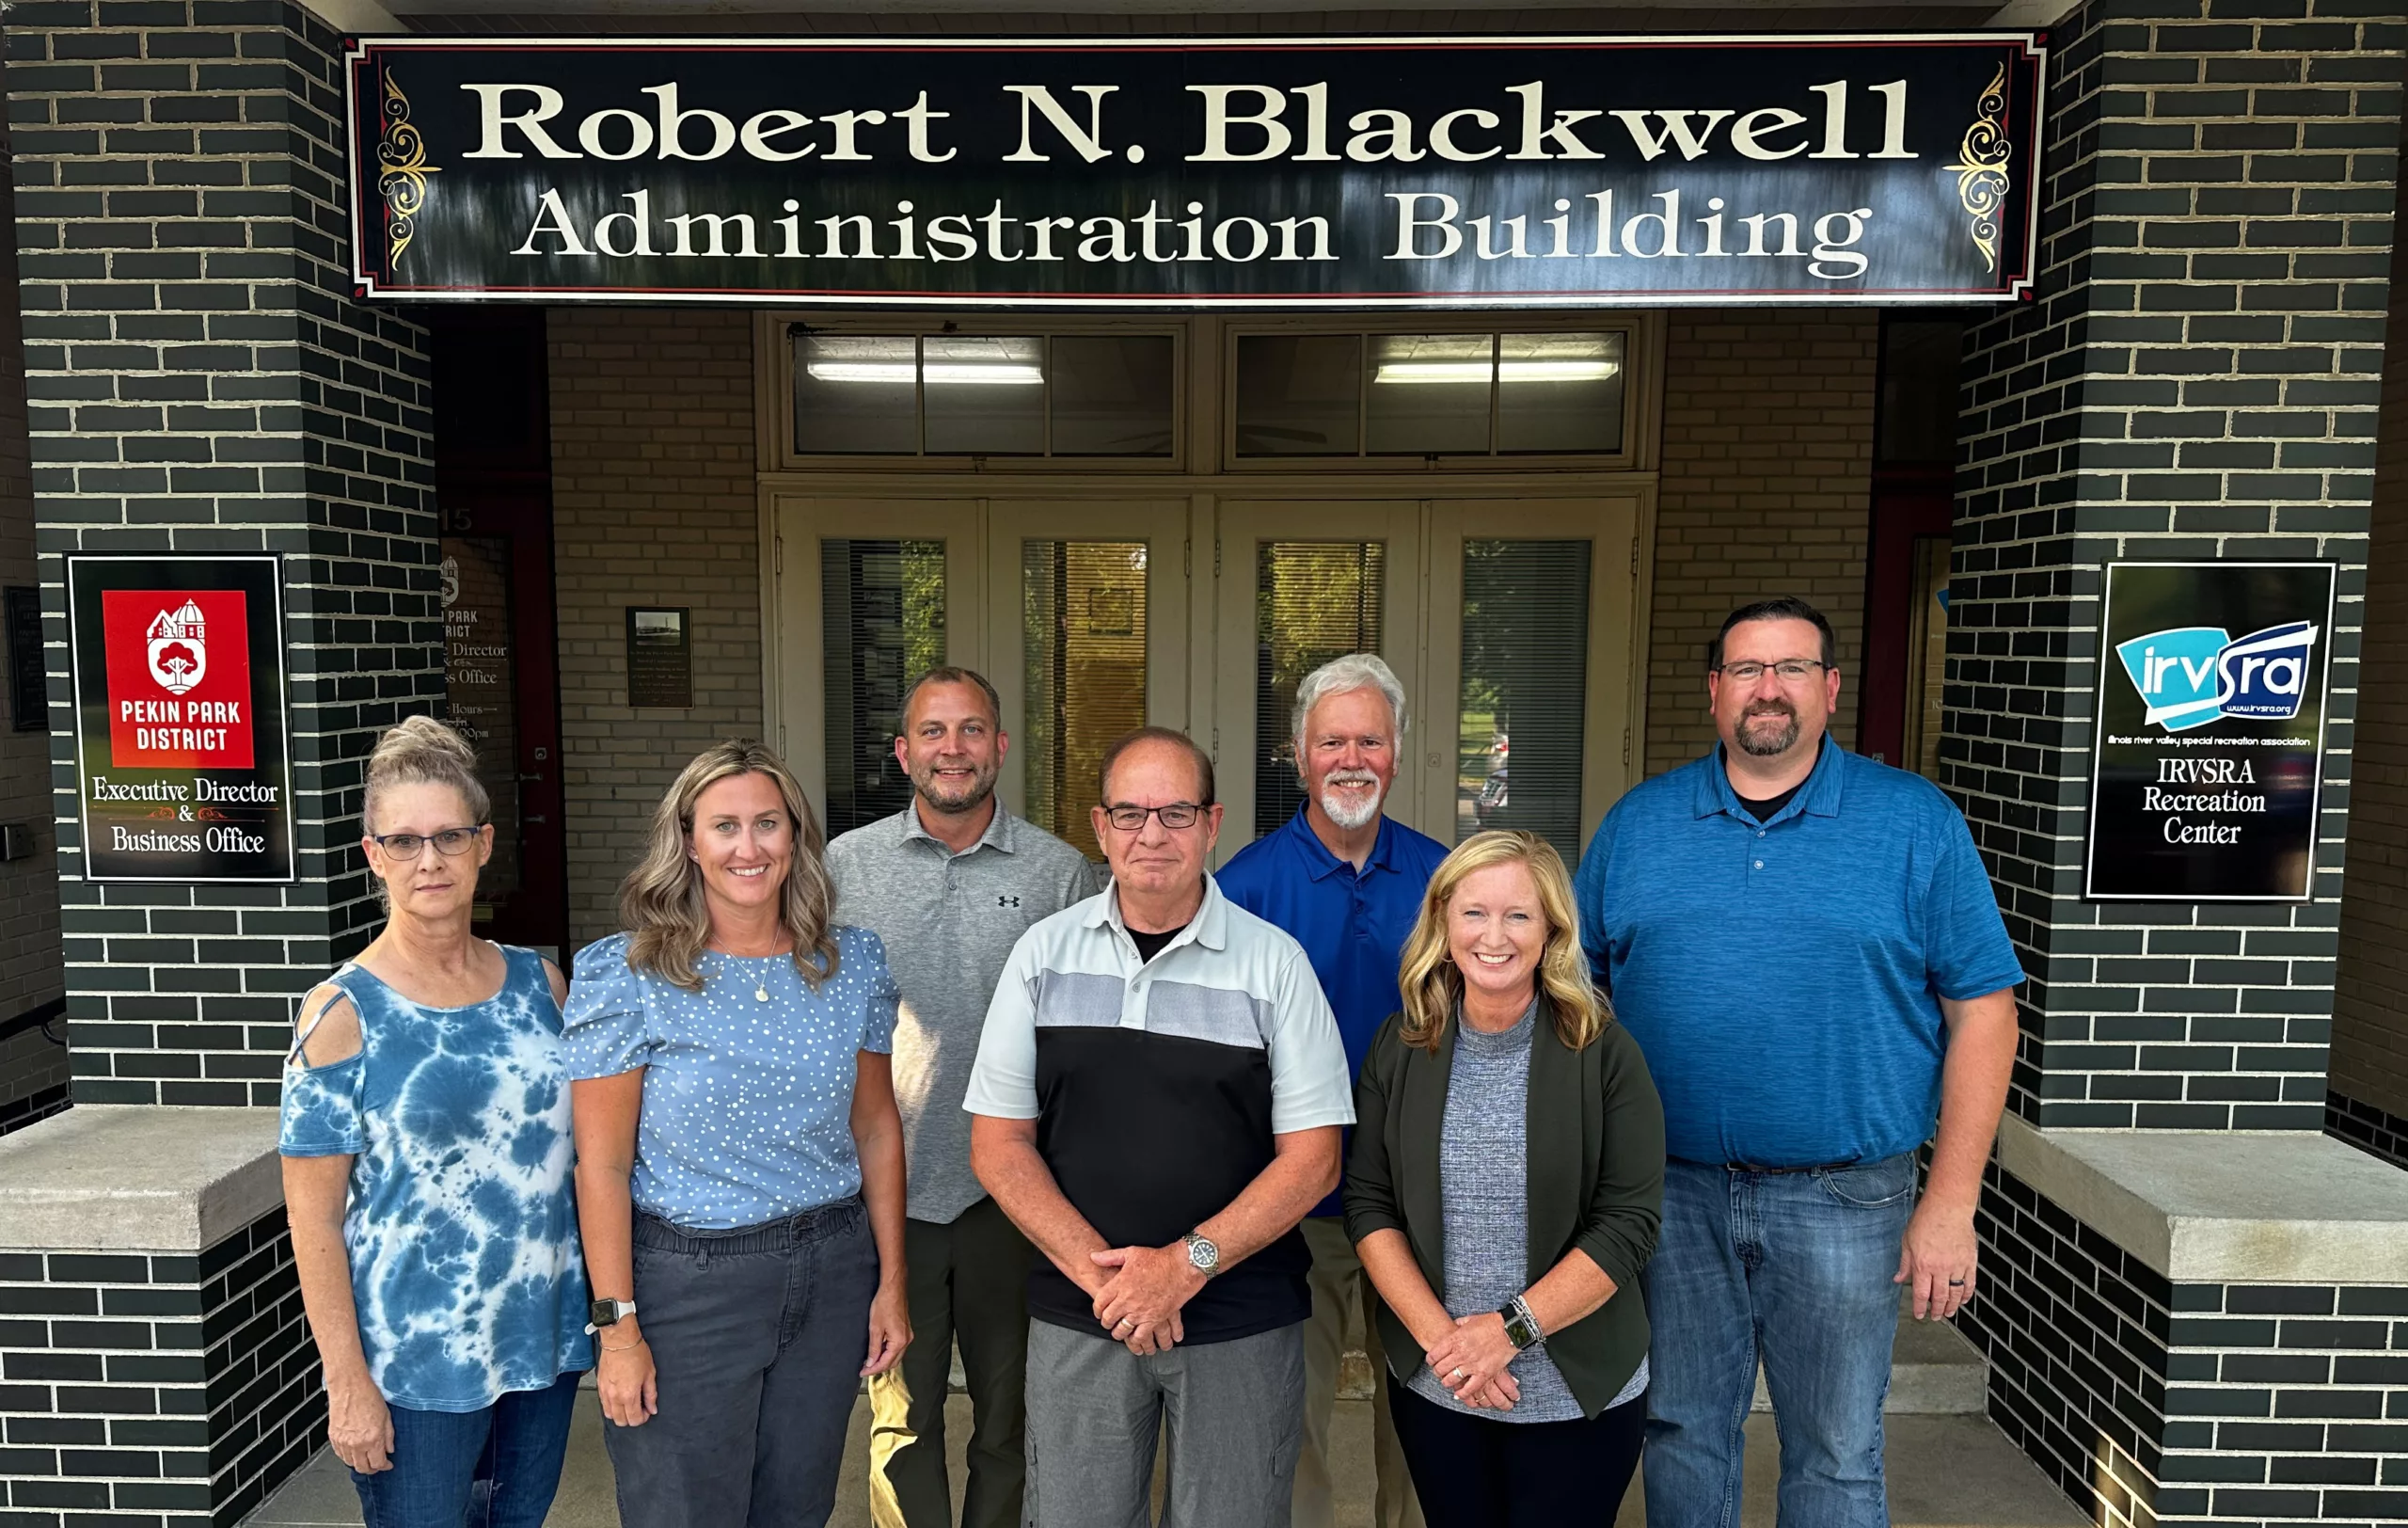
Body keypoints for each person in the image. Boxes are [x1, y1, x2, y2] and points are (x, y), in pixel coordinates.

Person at [1573, 597, 2023, 1528]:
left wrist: (1949, 1202)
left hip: (1848, 1198)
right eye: (1745, 669)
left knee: (1835, 1448)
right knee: (1681, 1427)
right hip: (1673, 1192)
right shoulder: (1639, 825)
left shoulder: (1913, 823)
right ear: (1712, 692)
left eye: (1789, 668)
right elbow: (1580, 999)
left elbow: (1982, 1010)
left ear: (1829, 689)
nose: (1766, 689)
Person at [964, 726, 1355, 1528]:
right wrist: (1115, 1283)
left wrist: (1185, 1266)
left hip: (1240, 1317)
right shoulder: (1041, 956)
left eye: (1176, 813)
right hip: (1084, 1313)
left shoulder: (1274, 965)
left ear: (1212, 826)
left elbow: (1315, 1161)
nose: (1152, 834)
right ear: (1100, 827)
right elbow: (998, 1146)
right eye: (1131, 813)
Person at [563, 740, 911, 1528]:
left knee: (798, 1506)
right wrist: (618, 1331)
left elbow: (877, 1129)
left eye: (767, 824)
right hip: (690, 1285)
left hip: (831, 1270)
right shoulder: (630, 974)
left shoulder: (848, 963)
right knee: (684, 1512)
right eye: (725, 826)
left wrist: (890, 1282)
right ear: (689, 840)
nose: (748, 848)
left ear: (796, 838)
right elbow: (603, 1166)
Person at [279, 716, 593, 1528]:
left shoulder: (542, 987)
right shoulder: (343, 1014)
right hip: (414, 1367)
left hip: (540, 1341)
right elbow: (312, 1222)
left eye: (450, 836)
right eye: (405, 841)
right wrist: (345, 1382)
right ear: (372, 855)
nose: (431, 860)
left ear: (484, 843)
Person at [828, 666, 1099, 1528]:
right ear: (904, 751)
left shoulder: (1060, 873)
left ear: (1001, 747)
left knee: (1011, 1414)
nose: (954, 749)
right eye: (935, 732)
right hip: (888, 1189)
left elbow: (1083, 1036)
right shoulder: (845, 865)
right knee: (898, 1416)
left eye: (972, 730)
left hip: (1010, 1196)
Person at [1344, 830, 1663, 1527]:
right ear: (1443, 922)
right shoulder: (1400, 1046)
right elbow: (1369, 1205)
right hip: (1441, 1383)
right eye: (1474, 912)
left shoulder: (1605, 1052)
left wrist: (1506, 1335)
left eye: (1518, 914)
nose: (1495, 935)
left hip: (1578, 1391)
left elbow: (1629, 1224)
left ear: (1551, 929)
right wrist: (1448, 1346)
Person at [1218, 652, 1446, 1528]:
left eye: (1371, 740)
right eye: (1332, 741)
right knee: (1290, 1425)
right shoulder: (1242, 887)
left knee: (1423, 1420)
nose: (1352, 758)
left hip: (1420, 1204)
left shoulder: (1446, 883)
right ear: (1299, 754)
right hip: (1290, 1207)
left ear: (1397, 752)